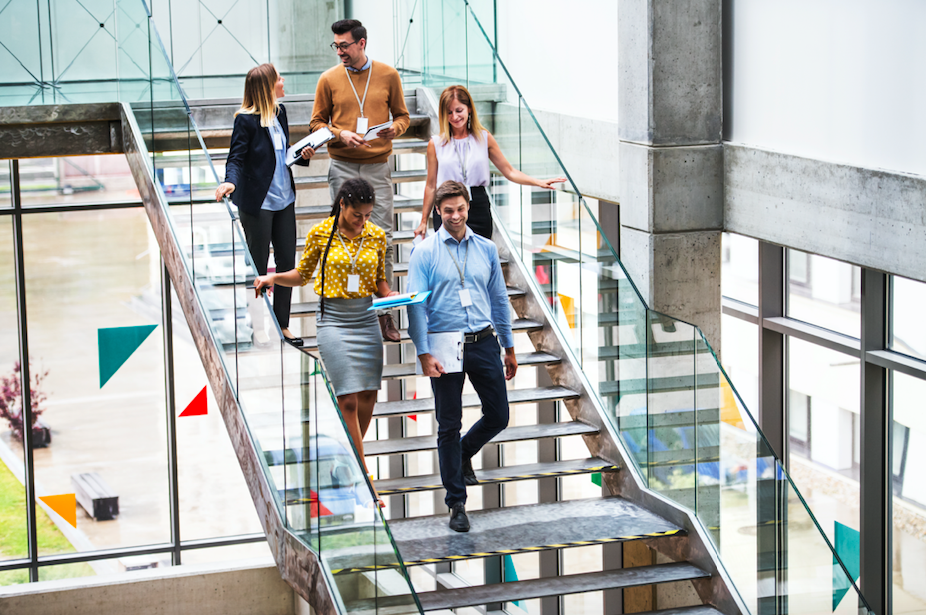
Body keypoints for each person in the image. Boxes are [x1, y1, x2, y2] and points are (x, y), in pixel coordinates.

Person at [254, 178, 396, 505]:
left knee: (367, 398)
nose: (363, 221)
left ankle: (348, 461)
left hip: (365, 319)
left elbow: (379, 283)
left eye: (368, 215)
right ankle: (364, 481)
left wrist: (394, 296)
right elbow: (302, 275)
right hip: (333, 320)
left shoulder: (376, 235)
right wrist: (274, 277)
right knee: (347, 399)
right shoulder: (322, 233)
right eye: (357, 215)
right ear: (343, 204)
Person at [406, 180, 518, 532]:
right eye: (448, 210)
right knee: (448, 425)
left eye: (461, 209)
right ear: (438, 211)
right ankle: (456, 503)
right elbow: (415, 307)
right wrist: (423, 353)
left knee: (499, 415)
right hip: (444, 344)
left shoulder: (485, 248)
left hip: (484, 340)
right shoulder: (424, 252)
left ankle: (464, 453)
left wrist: (509, 346)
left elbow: (499, 299)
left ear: (469, 207)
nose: (455, 216)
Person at [310, 18, 410, 342]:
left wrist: (394, 129)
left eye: (345, 46)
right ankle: (344, 313)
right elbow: (316, 124)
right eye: (335, 46)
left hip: (378, 167)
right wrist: (341, 134)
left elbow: (403, 117)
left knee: (384, 240)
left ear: (362, 43)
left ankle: (384, 315)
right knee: (341, 238)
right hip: (342, 166)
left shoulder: (388, 75)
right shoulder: (328, 79)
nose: (340, 52)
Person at [215, 63, 314, 346]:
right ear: (268, 87)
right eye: (278, 78)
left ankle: (282, 325)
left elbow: (283, 154)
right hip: (258, 204)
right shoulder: (245, 120)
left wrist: (303, 155)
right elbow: (236, 158)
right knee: (258, 267)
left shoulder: (280, 113)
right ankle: (258, 326)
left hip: (285, 201)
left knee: (286, 264)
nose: (283, 81)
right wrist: (230, 182)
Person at [414, 85, 566, 240]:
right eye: (449, 112)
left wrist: (538, 182)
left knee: (480, 258)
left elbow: (509, 171)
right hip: (448, 206)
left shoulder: (484, 138)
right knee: (450, 259)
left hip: (478, 204)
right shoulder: (436, 144)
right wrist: (424, 221)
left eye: (459, 110)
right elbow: (431, 185)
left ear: (469, 109)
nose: (454, 117)